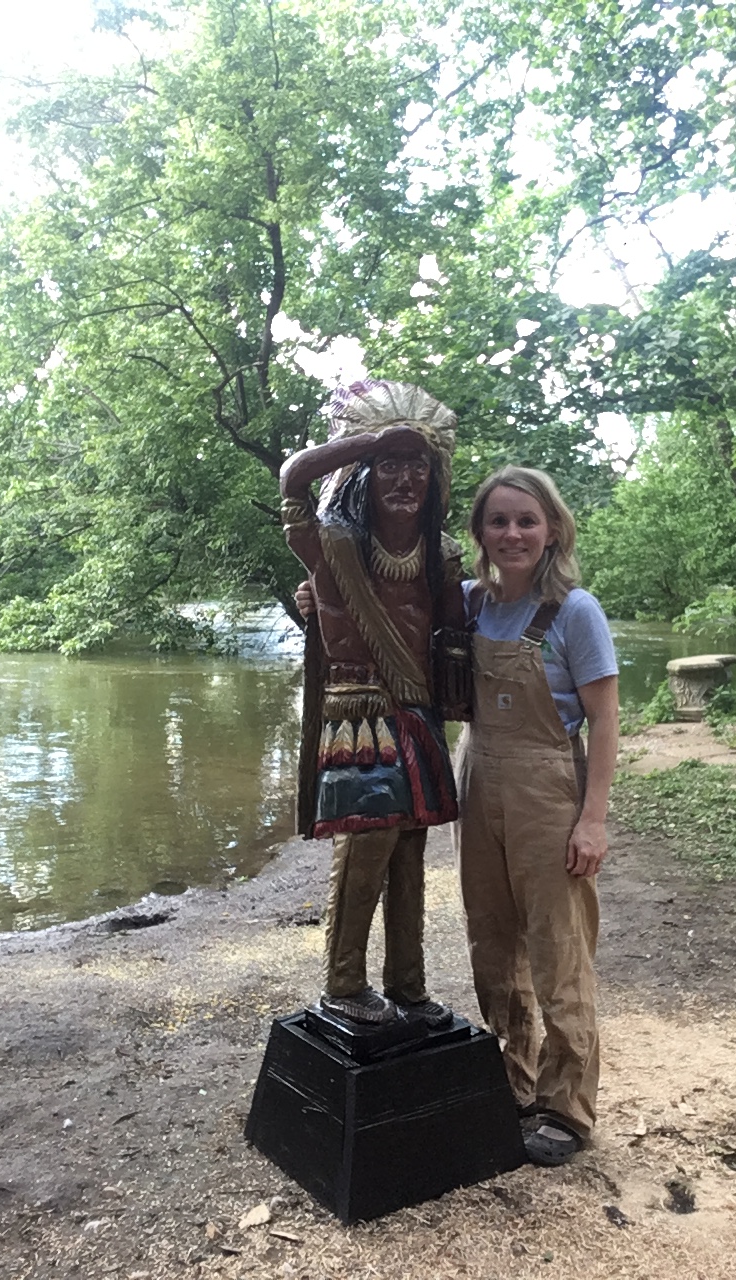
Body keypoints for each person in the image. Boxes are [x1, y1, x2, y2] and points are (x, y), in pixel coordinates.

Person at [280, 380, 468, 1029]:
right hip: (358, 713)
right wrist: (368, 440)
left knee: (411, 849)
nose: (404, 478)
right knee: (369, 843)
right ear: (365, 472)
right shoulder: (333, 545)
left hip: (418, 716)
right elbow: (292, 482)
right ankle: (343, 984)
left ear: (434, 477)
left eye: (417, 464)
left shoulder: (442, 557)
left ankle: (408, 986)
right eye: (390, 464)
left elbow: (462, 632)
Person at [457, 465, 619, 1166]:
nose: (513, 533)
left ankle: (567, 1109)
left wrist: (593, 819)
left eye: (527, 520)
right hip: (477, 780)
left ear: (552, 529)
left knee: (559, 950)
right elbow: (382, 614)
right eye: (499, 521)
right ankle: (514, 1081)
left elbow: (607, 721)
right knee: (493, 944)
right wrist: (319, 596)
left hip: (548, 788)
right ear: (481, 534)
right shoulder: (466, 604)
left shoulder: (575, 612)